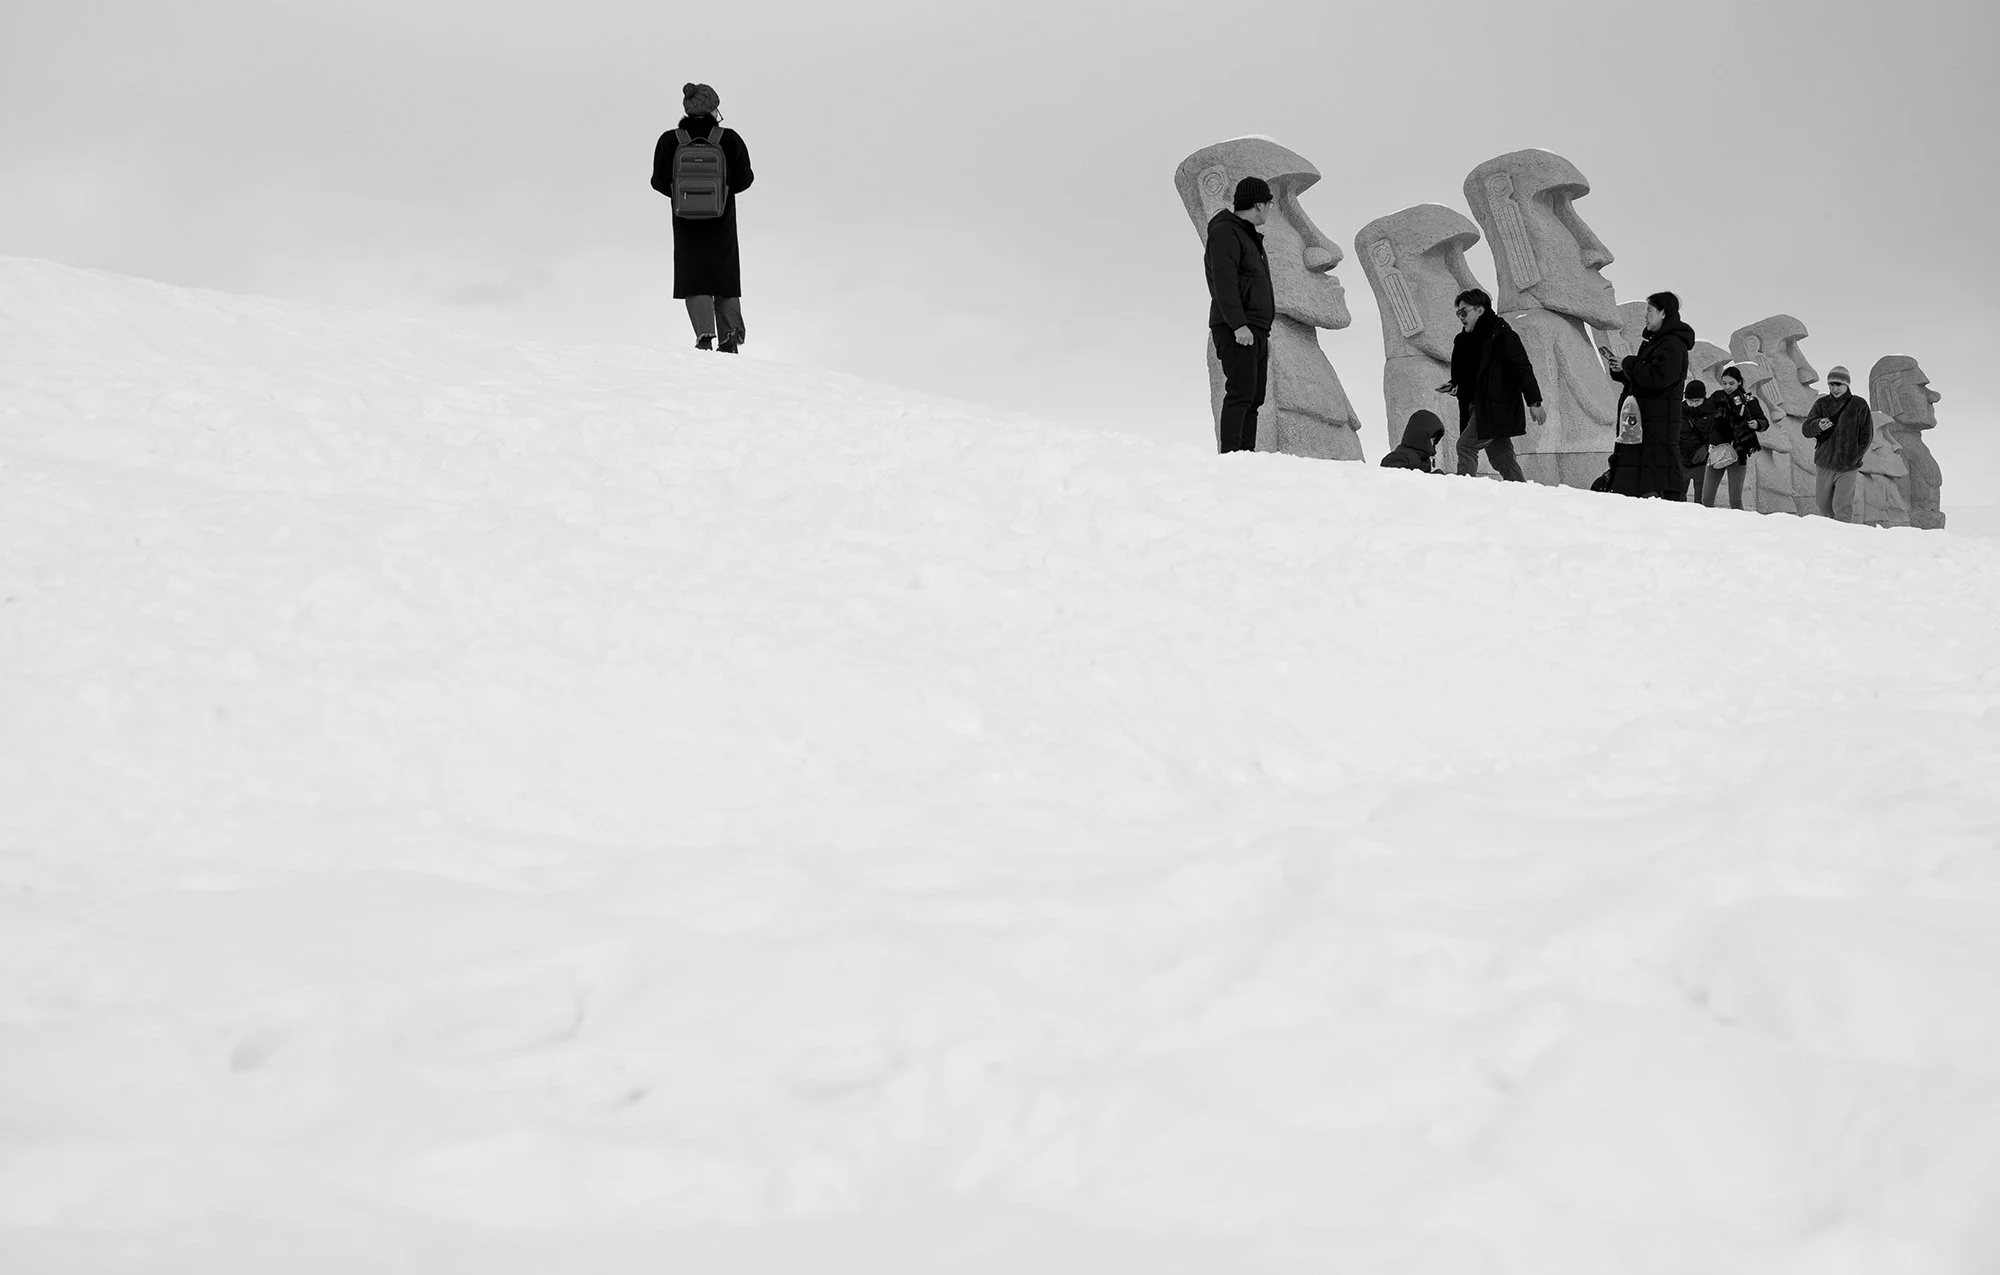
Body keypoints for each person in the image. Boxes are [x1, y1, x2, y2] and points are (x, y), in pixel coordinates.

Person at [650, 83, 755, 352]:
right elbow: (745, 178)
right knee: (725, 277)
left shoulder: (669, 140)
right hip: (722, 221)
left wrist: (682, 196)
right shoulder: (728, 139)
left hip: (685, 222)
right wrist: (722, 193)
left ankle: (704, 336)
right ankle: (730, 336)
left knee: (694, 276)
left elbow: (658, 181)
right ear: (712, 109)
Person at [1203, 177, 1277, 453]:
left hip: (1256, 328)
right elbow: (1224, 283)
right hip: (1238, 327)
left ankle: (1246, 457)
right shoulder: (1226, 232)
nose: (1270, 208)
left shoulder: (1248, 235)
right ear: (1258, 204)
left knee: (1255, 397)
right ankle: (1232, 458)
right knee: (1241, 393)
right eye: (1269, 203)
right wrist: (1238, 325)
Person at [1440, 288, 1545, 480]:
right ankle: (1521, 492)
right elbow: (1464, 376)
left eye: (1464, 312)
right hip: (1474, 407)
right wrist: (1454, 386)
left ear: (1480, 310)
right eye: (1458, 313)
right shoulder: (1462, 340)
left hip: (1495, 406)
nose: (1460, 317)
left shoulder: (1503, 336)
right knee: (1502, 457)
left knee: (1465, 446)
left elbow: (1523, 369)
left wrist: (1534, 402)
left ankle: (1465, 493)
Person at [1603, 291, 1695, 498]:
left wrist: (1629, 363)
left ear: (1663, 313)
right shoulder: (1658, 342)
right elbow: (1643, 378)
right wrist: (1622, 370)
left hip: (1657, 424)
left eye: (1650, 310)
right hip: (1646, 423)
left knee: (1660, 478)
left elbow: (1658, 378)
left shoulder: (1672, 343)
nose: (1646, 315)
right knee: (1644, 475)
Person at [1801, 365, 1873, 520]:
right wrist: (1818, 425)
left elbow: (1867, 436)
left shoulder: (1859, 404)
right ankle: (1830, 539)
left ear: (1847, 384)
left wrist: (1854, 456)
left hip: (1848, 465)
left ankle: (1843, 540)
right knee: (1822, 506)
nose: (1835, 388)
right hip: (1824, 463)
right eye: (1831, 384)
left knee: (1842, 508)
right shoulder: (1821, 404)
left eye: (1838, 384)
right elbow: (1806, 430)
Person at [1699, 365, 1768, 509]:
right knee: (1706, 499)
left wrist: (1756, 424)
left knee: (1735, 500)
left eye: (1731, 383)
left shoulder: (1749, 400)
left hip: (1739, 451)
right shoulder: (1717, 396)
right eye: (1724, 383)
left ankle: (1740, 530)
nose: (1727, 387)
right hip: (1717, 451)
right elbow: (1702, 411)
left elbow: (1764, 422)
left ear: (1740, 382)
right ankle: (1705, 529)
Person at [1679, 380, 1718, 500]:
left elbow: (1717, 433)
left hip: (1702, 463)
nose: (1694, 404)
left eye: (1697, 401)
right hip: (1681, 461)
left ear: (1704, 398)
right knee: (1678, 499)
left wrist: (1706, 448)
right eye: (1690, 401)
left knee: (1701, 500)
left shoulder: (1712, 411)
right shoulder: (1679, 410)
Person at [1380, 410, 1446, 472]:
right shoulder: (1398, 458)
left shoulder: (1424, 460)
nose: (1432, 443)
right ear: (1422, 436)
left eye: (1434, 439)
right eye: (1431, 438)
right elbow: (1393, 482)